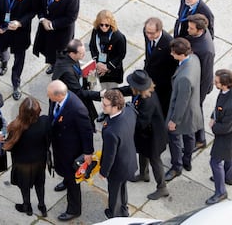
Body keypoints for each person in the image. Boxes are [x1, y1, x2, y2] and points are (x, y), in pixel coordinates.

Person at [47, 80, 94, 221]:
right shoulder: (55, 100)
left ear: (59, 95)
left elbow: (87, 132)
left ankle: (74, 209)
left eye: (50, 95)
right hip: (60, 145)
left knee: (73, 180)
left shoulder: (77, 109)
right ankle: (66, 181)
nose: (48, 98)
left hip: (72, 150)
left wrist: (88, 153)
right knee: (65, 172)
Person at [121, 70, 169, 200]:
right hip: (145, 135)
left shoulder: (147, 101)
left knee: (155, 160)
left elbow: (141, 123)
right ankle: (143, 174)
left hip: (153, 136)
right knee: (142, 152)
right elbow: (126, 90)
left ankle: (162, 187)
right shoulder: (141, 93)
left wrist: (125, 115)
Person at [3, 97, 50, 217]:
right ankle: (42, 206)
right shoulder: (45, 122)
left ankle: (27, 207)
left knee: (24, 186)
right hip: (39, 162)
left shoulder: (16, 127)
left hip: (22, 164)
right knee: (40, 185)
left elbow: (9, 146)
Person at [165, 38, 203, 181]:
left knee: (175, 138)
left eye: (173, 53)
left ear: (180, 54)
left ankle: (177, 167)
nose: (171, 54)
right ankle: (187, 160)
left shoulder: (184, 78)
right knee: (190, 135)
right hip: (193, 109)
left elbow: (181, 102)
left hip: (184, 113)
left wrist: (174, 121)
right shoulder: (194, 58)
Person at [33, 0, 80, 74]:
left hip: (61, 32)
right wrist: (42, 19)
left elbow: (71, 17)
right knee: (48, 50)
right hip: (45, 27)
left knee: (60, 55)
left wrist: (52, 24)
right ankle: (52, 64)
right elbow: (39, 2)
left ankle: (58, 70)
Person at [206, 69, 232, 205]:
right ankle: (228, 177)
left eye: (216, 82)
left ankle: (221, 192)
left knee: (215, 162)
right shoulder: (231, 89)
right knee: (229, 156)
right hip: (231, 132)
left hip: (228, 136)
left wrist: (213, 125)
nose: (214, 83)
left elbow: (225, 128)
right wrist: (213, 115)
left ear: (225, 85)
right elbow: (219, 106)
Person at [99, 90, 137, 218]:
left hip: (117, 168)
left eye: (105, 105)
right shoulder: (129, 111)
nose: (102, 106)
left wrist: (104, 172)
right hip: (129, 161)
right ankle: (124, 207)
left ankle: (114, 214)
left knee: (114, 192)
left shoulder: (111, 131)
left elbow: (110, 155)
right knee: (122, 187)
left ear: (115, 107)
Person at [52, 39, 102, 128]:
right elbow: (78, 92)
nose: (84, 55)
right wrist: (99, 94)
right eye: (81, 53)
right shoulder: (68, 72)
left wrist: (88, 76)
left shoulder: (70, 58)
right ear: (72, 53)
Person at [185, 14, 215, 152]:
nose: (188, 30)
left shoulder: (206, 50)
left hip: (200, 85)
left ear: (200, 30)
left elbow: (206, 75)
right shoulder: (200, 33)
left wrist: (198, 95)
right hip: (195, 80)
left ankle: (200, 139)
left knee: (196, 110)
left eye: (191, 28)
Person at [143, 17, 177, 117]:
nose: (149, 36)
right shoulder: (147, 34)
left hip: (162, 83)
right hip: (149, 74)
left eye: (152, 33)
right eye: (147, 32)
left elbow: (172, 68)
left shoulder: (169, 44)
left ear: (159, 31)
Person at [89, 10, 127, 89]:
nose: (103, 27)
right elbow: (92, 45)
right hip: (100, 64)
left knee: (112, 90)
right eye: (101, 25)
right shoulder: (95, 31)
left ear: (111, 24)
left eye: (107, 25)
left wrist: (107, 67)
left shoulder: (118, 37)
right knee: (102, 86)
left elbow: (121, 55)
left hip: (112, 69)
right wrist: (97, 62)